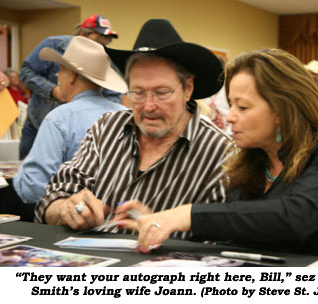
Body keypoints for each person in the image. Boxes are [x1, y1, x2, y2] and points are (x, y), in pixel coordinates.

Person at [118, 48, 318, 261]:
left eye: (242, 107)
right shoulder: (251, 164)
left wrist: (185, 215)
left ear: (282, 109)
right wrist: (157, 220)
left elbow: (293, 217)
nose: (230, 116)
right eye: (231, 105)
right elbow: (236, 232)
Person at [34, 19, 233, 237]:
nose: (148, 106)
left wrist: (161, 230)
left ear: (188, 89)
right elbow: (51, 200)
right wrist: (67, 210)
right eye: (137, 92)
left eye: (162, 92)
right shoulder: (106, 129)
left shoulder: (220, 152)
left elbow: (221, 241)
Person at [0, 36, 126, 221]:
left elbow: (32, 189)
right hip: (119, 218)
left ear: (72, 77)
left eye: (60, 73)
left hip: (74, 219)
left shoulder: (60, 119)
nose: (57, 79)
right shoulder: (125, 114)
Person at [19, 14, 121, 160]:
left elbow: (113, 94)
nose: (100, 47)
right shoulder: (53, 44)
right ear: (81, 34)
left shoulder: (102, 55)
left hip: (73, 133)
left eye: (105, 43)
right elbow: (26, 72)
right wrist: (52, 90)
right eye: (97, 40)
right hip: (37, 125)